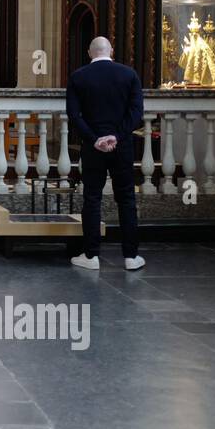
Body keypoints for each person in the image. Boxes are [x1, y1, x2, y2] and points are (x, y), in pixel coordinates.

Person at [66, 36, 145, 272]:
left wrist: (95, 139)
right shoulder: (129, 75)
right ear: (111, 50)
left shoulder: (78, 77)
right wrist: (116, 136)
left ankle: (91, 256)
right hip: (121, 147)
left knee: (92, 198)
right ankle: (131, 256)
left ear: (90, 53)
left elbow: (74, 115)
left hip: (93, 148)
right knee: (127, 199)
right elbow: (136, 113)